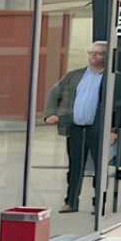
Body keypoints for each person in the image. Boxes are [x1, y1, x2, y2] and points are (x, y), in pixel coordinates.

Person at [44, 41, 107, 213]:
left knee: (99, 167)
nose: (94, 56)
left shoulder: (112, 77)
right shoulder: (75, 75)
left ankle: (98, 203)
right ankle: (71, 201)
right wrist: (50, 113)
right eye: (92, 53)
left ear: (107, 56)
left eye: (99, 53)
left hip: (99, 131)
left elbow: (119, 106)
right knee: (75, 166)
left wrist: (113, 129)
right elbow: (54, 92)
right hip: (76, 128)